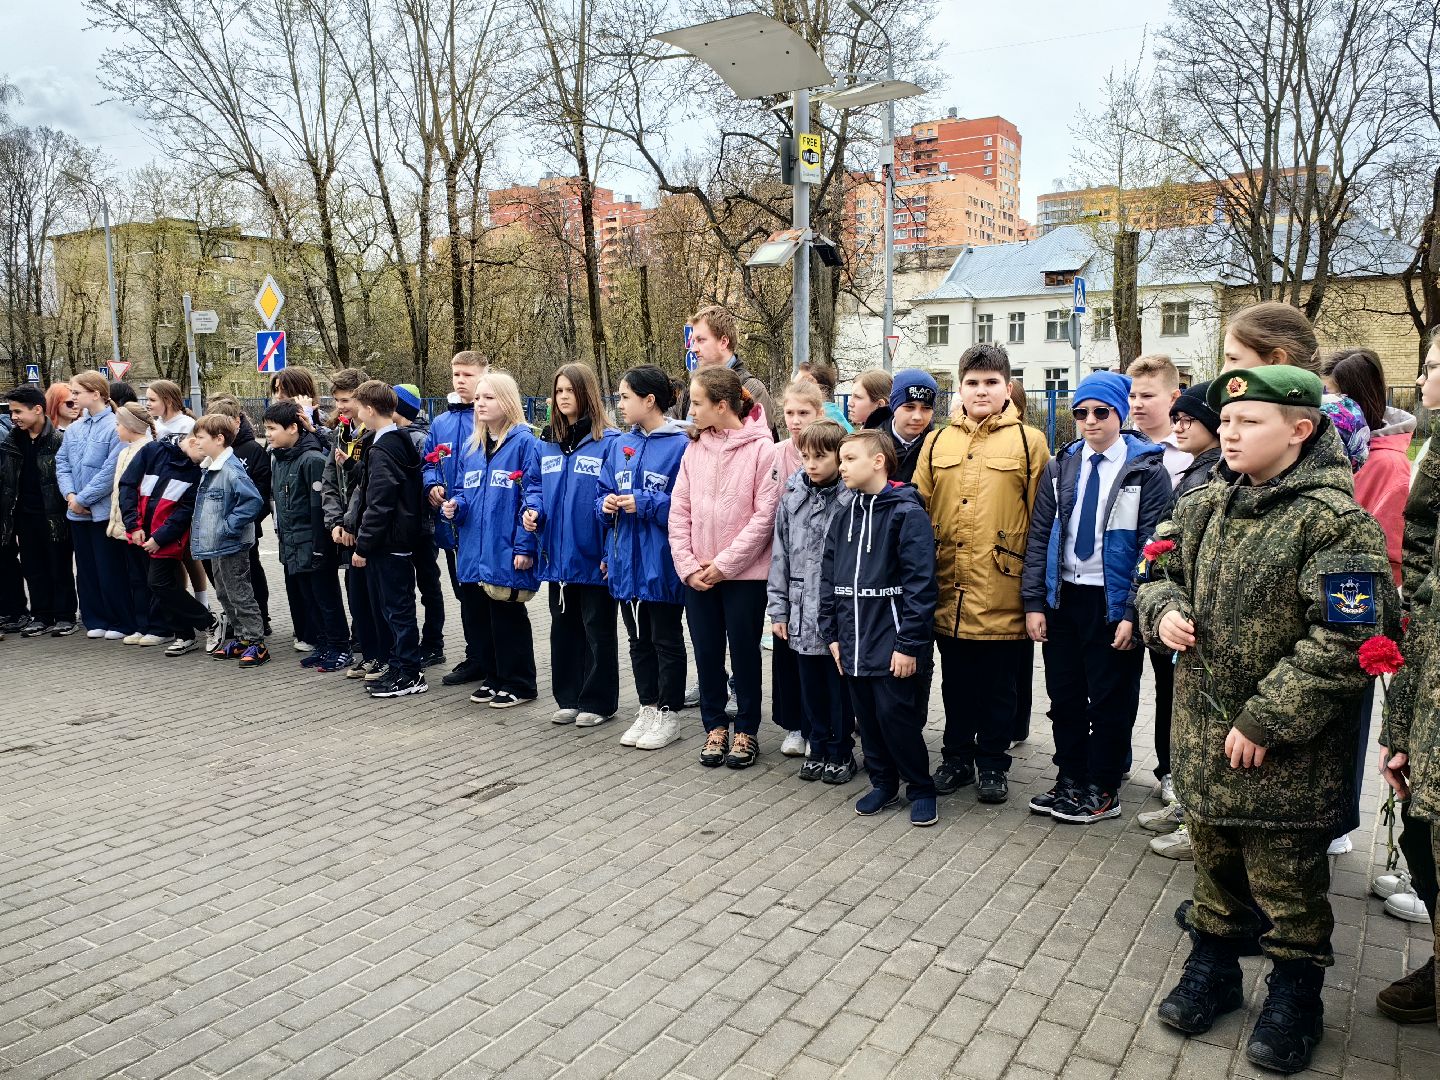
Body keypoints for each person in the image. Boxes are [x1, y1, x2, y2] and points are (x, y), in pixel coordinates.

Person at [1138, 366, 1397, 1074]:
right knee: (1214, 868)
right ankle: (1215, 967)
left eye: (1248, 421)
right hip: (1203, 740)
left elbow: (1351, 638)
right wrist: (1163, 612)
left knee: (1289, 886)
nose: (1229, 433)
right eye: (1225, 420)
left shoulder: (1334, 524)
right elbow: (1155, 570)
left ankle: (1296, 994)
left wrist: (1265, 720)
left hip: (1286, 757)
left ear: (1300, 430)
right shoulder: (1204, 503)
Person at [1022, 371, 1171, 824]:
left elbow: (1152, 547)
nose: (1090, 421)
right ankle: (1070, 777)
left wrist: (1131, 612)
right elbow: (1040, 535)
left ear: (1119, 415)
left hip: (1111, 602)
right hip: (1065, 598)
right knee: (1065, 696)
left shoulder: (1146, 470)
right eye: (1081, 412)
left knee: (1109, 700)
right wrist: (1034, 602)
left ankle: (1103, 786)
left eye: (1101, 412)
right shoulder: (1061, 466)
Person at [915, 343, 1049, 805]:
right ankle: (956, 757)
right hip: (947, 586)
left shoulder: (1029, 442)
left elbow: (1040, 519)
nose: (981, 391)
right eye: (972, 383)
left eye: (991, 382)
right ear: (960, 388)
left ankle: (992, 762)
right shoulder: (937, 441)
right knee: (955, 683)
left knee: (999, 687)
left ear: (1008, 387)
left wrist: (1034, 593)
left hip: (1001, 586)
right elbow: (918, 509)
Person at [1371, 330, 1440, 1023]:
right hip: (1430, 694)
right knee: (1423, 830)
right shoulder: (1435, 454)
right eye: (1424, 368)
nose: (1424, 381)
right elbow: (1422, 582)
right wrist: (1401, 729)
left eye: (1435, 369)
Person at [820, 429, 938, 825]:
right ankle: (883, 783)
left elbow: (921, 585)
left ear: (878, 461)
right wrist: (832, 635)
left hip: (892, 641)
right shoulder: (843, 514)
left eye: (849, 458)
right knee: (867, 719)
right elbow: (827, 578)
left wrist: (908, 644)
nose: (841, 467)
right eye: (841, 459)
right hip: (852, 639)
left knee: (895, 717)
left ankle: (920, 787)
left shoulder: (907, 514)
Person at [670, 366, 781, 769]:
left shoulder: (762, 450)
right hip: (698, 577)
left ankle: (747, 729)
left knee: (745, 653)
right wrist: (688, 566)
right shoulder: (694, 448)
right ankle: (714, 725)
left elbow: (764, 518)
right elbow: (679, 511)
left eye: (697, 403)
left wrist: (723, 565)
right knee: (706, 651)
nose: (690, 411)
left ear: (721, 406)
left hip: (744, 577)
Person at [1137, 381, 1224, 860]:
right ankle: (1185, 801)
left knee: (1198, 716)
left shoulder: (1214, 474)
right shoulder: (1198, 470)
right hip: (1176, 613)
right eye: (1177, 419)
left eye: (1189, 420)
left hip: (1197, 620)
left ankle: (1197, 816)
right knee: (1175, 705)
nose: (1179, 427)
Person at [599, 366, 691, 750]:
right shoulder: (621, 444)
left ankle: (670, 713)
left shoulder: (681, 445)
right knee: (637, 640)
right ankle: (647, 706)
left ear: (649, 400)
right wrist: (604, 504)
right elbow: (602, 490)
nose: (619, 404)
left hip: (661, 561)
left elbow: (688, 506)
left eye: (625, 397)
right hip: (626, 562)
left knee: (665, 639)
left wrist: (646, 502)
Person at [523, 363, 619, 727]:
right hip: (557, 556)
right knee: (563, 629)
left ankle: (598, 702)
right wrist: (533, 510)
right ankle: (568, 697)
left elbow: (611, 496)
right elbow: (533, 486)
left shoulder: (608, 442)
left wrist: (609, 552)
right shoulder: (546, 443)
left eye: (570, 391)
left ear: (586, 393)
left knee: (597, 630)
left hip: (592, 555)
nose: (563, 397)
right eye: (558, 391)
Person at [443, 371, 540, 709]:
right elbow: (463, 491)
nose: (480, 404)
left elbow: (533, 497)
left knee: (507, 618)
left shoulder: (526, 444)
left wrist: (524, 546)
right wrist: (456, 507)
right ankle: (494, 677)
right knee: (479, 618)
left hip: (505, 549)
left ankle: (520, 683)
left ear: (507, 401)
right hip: (474, 549)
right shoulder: (472, 447)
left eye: (488, 398)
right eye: (477, 398)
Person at [768, 419, 858, 783]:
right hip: (800, 610)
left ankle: (841, 749)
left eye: (820, 457)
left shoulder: (852, 500)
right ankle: (817, 744)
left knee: (838, 687)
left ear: (839, 457)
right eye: (806, 456)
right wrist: (778, 609)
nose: (812, 464)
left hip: (837, 614)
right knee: (810, 685)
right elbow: (780, 556)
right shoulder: (792, 498)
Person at [1125, 354, 1191, 811]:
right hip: (1126, 586)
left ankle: (1170, 769)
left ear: (1173, 397)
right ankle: (1117, 756)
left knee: (1170, 686)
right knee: (1122, 679)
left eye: (1147, 395)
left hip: (1170, 587)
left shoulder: (1190, 452)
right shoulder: (1122, 445)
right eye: (1132, 395)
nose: (1137, 404)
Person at [350, 380, 427, 699]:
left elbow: (379, 502)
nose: (356, 415)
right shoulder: (392, 440)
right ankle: (399, 666)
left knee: (397, 609)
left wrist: (363, 545)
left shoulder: (384, 447)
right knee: (392, 608)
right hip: (394, 539)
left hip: (390, 541)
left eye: (358, 408)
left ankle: (410, 672)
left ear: (369, 409)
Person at [265, 401, 351, 671]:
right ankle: (323, 644)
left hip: (313, 545)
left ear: (293, 428)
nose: (267, 434)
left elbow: (318, 508)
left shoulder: (311, 460)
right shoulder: (281, 459)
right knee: (309, 599)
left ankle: (340, 646)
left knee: (326, 598)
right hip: (293, 545)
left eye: (272, 428)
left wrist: (319, 546)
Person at [425, 351, 490, 687]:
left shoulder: (492, 417)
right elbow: (430, 462)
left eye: (468, 374)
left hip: (485, 526)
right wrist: (432, 485)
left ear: (484, 375)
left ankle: (493, 659)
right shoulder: (441, 423)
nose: (460, 381)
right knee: (465, 593)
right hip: (452, 525)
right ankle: (475, 655)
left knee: (490, 595)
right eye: (456, 374)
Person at [1323, 347, 1413, 586]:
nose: (1326, 407)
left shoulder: (1389, 466)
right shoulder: (1323, 450)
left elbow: (1390, 559)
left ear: (1358, 401)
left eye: (1334, 397)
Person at [771, 378, 826, 757]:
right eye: (789, 413)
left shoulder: (833, 449)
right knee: (788, 652)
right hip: (787, 563)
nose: (795, 420)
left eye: (803, 412)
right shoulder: (776, 454)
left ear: (819, 413)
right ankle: (794, 724)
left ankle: (824, 727)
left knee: (821, 660)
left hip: (820, 571)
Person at [118, 426, 209, 656]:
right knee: (159, 585)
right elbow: (128, 485)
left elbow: (185, 510)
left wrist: (159, 537)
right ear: (192, 442)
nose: (204, 461)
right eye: (202, 455)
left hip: (167, 537)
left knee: (159, 583)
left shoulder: (196, 470)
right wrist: (133, 525)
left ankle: (207, 623)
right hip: (141, 532)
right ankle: (184, 634)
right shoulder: (152, 450)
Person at [188, 414, 268, 668]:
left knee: (239, 592)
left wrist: (228, 526)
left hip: (232, 543)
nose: (196, 442)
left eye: (201, 437)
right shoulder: (211, 467)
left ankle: (256, 641)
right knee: (224, 591)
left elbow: (252, 500)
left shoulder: (230, 470)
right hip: (219, 544)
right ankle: (242, 637)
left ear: (219, 439)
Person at [56, 371, 131, 640]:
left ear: (96, 394)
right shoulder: (74, 428)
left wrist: (83, 499)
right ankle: (94, 617)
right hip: (77, 512)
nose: (72, 397)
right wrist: (70, 496)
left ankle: (119, 619)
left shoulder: (115, 426)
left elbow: (112, 471)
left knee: (109, 568)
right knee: (86, 570)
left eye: (77, 392)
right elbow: (62, 463)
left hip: (102, 513)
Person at [1, 387, 76, 637]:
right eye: (11, 412)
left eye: (17, 411)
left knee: (59, 566)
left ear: (37, 409)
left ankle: (65, 616)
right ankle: (41, 616)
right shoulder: (12, 441)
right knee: (33, 568)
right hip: (23, 515)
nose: (14, 417)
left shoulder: (58, 440)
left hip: (54, 515)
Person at [208, 398, 273, 638]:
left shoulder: (251, 450)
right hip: (217, 530)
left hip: (242, 529)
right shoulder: (212, 454)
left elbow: (259, 494)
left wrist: (243, 521)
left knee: (247, 576)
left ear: (236, 421)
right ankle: (238, 625)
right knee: (224, 583)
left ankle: (258, 623)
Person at [145, 379, 209, 616]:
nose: (148, 404)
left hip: (184, 494)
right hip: (163, 496)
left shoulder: (187, 424)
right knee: (172, 556)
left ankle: (202, 600)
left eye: (152, 399)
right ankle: (178, 603)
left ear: (168, 400)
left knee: (189, 554)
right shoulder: (154, 426)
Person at [321, 368, 372, 672]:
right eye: (337, 400)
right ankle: (363, 643)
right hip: (345, 527)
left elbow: (364, 485)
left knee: (370, 594)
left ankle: (374, 649)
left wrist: (351, 524)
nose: (340, 407)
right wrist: (335, 522)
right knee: (354, 590)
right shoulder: (341, 432)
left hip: (366, 527)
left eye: (346, 400)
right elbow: (330, 480)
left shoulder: (373, 433)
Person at [108, 404, 169, 646]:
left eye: (118, 424)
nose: (116, 429)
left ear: (131, 426)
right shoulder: (125, 452)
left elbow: (142, 493)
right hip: (128, 528)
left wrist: (136, 525)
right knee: (136, 579)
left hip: (141, 528)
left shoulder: (148, 451)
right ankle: (142, 624)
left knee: (151, 579)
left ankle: (160, 626)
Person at [393, 383, 446, 668]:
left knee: (428, 585)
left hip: (423, 526)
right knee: (415, 587)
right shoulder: (396, 435)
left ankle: (434, 643)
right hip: (409, 525)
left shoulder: (419, 439)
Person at [683, 305, 778, 439]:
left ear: (723, 342)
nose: (694, 349)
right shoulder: (693, 388)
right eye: (693, 342)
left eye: (700, 340)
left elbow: (759, 446)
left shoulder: (752, 389)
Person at [882, 370, 937, 483]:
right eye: (909, 407)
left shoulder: (938, 447)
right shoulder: (870, 445)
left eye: (926, 408)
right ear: (893, 406)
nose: (917, 417)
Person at [797, 362, 853, 433]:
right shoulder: (832, 411)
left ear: (822, 389)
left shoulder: (826, 416)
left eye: (803, 384)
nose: (795, 390)